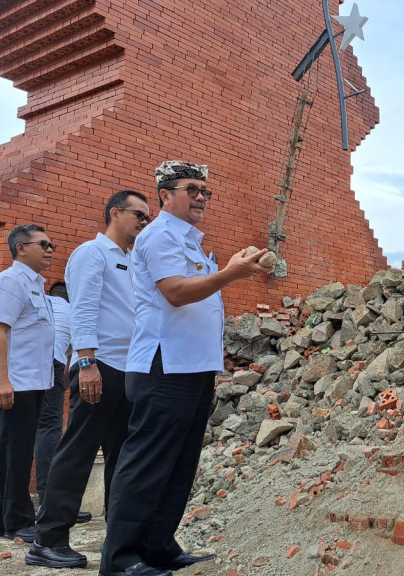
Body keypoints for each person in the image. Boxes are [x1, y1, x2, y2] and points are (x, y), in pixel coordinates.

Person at [99, 162, 267, 576]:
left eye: (206, 192)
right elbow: (174, 293)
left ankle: (158, 547)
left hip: (193, 367)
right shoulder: (158, 236)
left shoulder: (190, 243)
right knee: (147, 462)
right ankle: (120, 559)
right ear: (164, 194)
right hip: (162, 365)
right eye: (191, 189)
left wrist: (224, 268)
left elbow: (199, 296)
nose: (200, 198)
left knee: (178, 463)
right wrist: (231, 274)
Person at [27, 190, 150, 569]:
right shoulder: (91, 254)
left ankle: (122, 539)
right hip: (100, 366)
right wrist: (86, 362)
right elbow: (83, 309)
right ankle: (47, 541)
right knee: (77, 453)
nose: (144, 223)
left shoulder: (131, 260)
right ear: (115, 213)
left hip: (130, 370)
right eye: (139, 215)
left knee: (124, 457)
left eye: (147, 218)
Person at [0, 224, 56, 544]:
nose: (50, 249)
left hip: (29, 382)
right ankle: (19, 523)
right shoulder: (10, 282)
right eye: (43, 244)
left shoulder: (34, 285)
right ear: (21, 248)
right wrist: (1, 380)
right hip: (13, 384)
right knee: (15, 454)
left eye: (52, 245)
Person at [35, 281, 69, 508]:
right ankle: (49, 501)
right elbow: (71, 359)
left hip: (22, 365)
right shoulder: (73, 310)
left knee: (15, 428)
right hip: (52, 364)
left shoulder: (41, 302)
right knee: (48, 429)